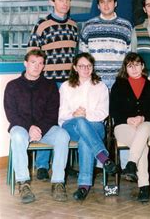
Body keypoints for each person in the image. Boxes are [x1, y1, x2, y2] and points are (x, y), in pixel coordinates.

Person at [4, 49, 70, 204]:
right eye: (33, 62)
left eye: (40, 63)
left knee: (63, 135)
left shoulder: (50, 86)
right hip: (21, 127)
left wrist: (39, 128)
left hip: (45, 128)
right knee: (18, 136)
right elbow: (11, 114)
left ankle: (58, 182)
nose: (37, 66)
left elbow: (52, 113)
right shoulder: (12, 86)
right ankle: (23, 183)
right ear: (25, 63)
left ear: (44, 66)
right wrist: (30, 128)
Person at [27, 0, 78, 179]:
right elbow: (32, 54)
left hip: (68, 85)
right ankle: (41, 165)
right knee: (47, 122)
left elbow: (76, 56)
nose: (64, 3)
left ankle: (64, 164)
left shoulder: (73, 25)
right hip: (47, 84)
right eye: (60, 0)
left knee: (66, 122)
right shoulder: (42, 25)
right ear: (52, 2)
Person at [58, 53, 118, 201]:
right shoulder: (66, 86)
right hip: (71, 126)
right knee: (79, 122)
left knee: (86, 139)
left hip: (96, 126)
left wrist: (85, 115)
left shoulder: (100, 86)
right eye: (81, 66)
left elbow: (103, 112)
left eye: (89, 66)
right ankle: (103, 157)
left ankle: (83, 187)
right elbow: (62, 113)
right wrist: (75, 114)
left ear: (93, 67)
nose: (85, 69)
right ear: (75, 67)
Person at [109, 53, 150, 202]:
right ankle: (144, 186)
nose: (134, 68)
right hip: (123, 126)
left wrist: (142, 117)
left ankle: (131, 164)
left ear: (142, 66)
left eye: (137, 64)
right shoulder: (119, 84)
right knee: (142, 145)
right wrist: (128, 119)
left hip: (146, 124)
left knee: (142, 132)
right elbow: (113, 110)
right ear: (125, 68)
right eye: (130, 66)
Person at [80, 0, 132, 89]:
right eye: (102, 2)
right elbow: (83, 57)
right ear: (98, 6)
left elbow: (129, 56)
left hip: (119, 81)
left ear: (115, 3)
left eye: (109, 1)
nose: (106, 5)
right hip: (95, 81)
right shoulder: (88, 26)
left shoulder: (126, 26)